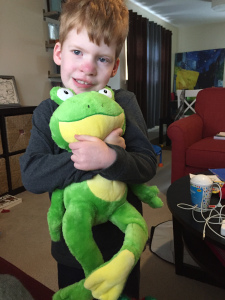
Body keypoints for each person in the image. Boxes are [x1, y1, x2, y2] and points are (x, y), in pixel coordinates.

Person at [20, 0, 157, 299]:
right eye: (77, 52)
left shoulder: (125, 103)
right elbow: (31, 175)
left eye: (103, 59)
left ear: (115, 65)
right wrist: (92, 159)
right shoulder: (47, 112)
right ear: (59, 52)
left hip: (123, 243)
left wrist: (113, 157)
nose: (87, 67)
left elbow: (147, 164)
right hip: (73, 247)